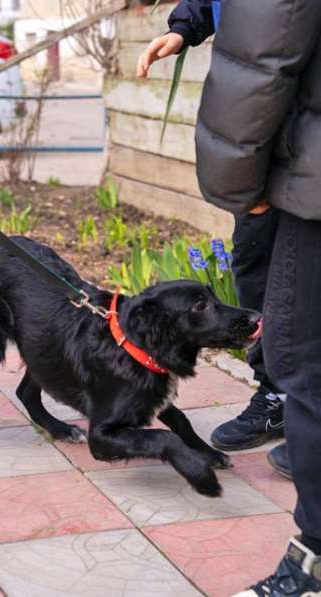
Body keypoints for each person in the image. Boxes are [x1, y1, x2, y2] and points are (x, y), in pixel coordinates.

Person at [137, 0, 321, 594]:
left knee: (302, 357)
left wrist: (236, 181)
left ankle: (314, 563)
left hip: (305, 166)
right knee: (257, 281)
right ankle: (275, 398)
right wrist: (190, 21)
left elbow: (268, 40)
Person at [137, 0, 290, 478]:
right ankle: (279, 396)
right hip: (259, 128)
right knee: (255, 267)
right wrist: (185, 27)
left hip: (295, 119)